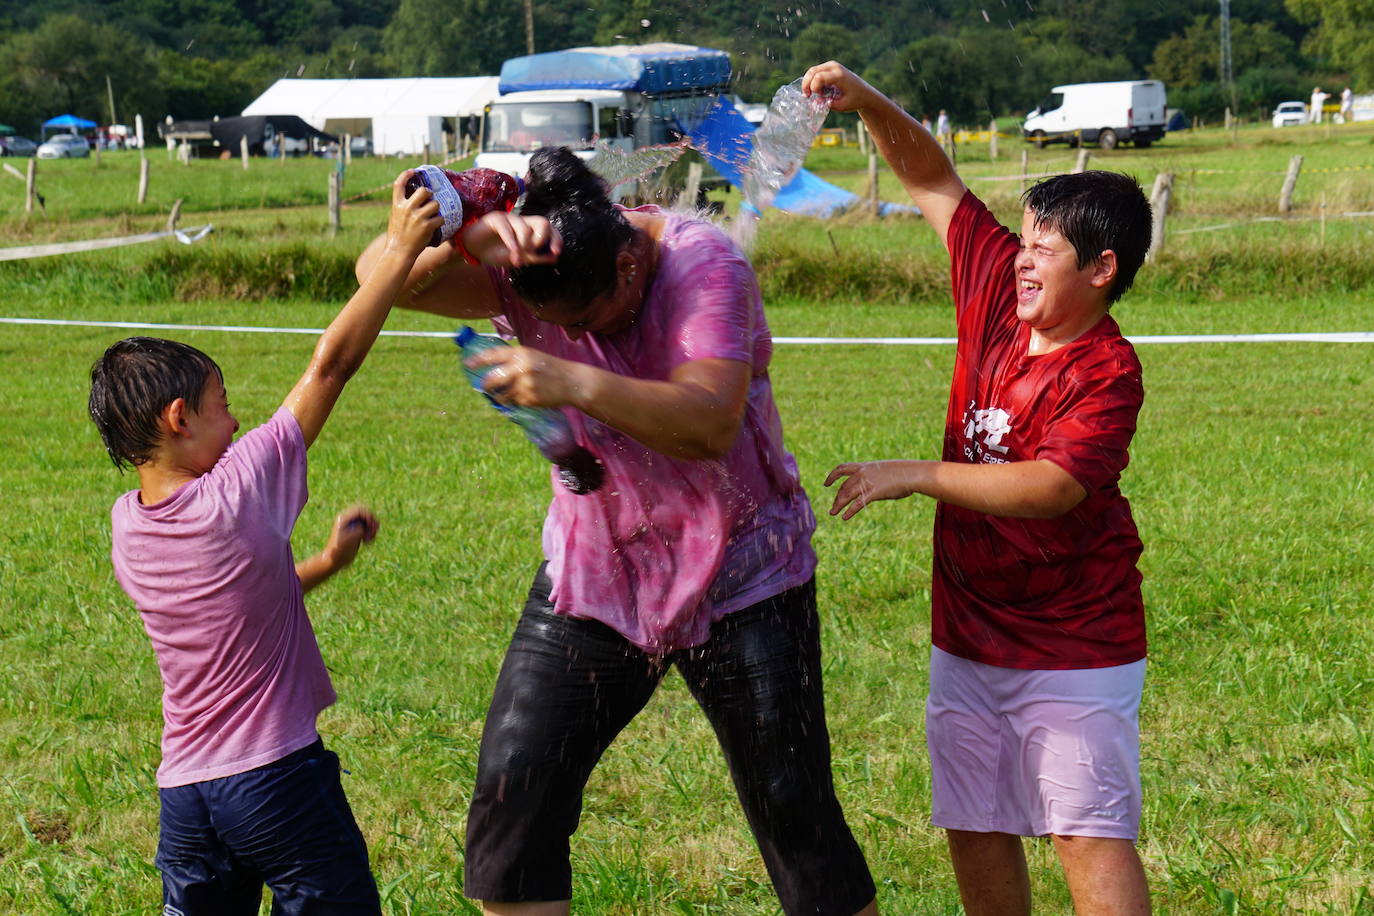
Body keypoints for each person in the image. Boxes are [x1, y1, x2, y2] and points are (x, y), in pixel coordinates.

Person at [355, 146, 879, 916]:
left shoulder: (705, 266)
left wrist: (571, 380)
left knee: (796, 815)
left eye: (592, 320)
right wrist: (473, 222)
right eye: (561, 328)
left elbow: (708, 423)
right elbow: (380, 275)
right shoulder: (528, 258)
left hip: (744, 571)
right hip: (598, 567)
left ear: (629, 266)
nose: (581, 334)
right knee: (513, 804)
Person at [802, 61, 1152, 916]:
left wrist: (917, 476)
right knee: (976, 822)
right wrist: (869, 99)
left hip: (1075, 643)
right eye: (1023, 239)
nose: (1021, 258)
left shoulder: (1106, 372)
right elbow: (929, 176)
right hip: (967, 635)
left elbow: (1053, 486)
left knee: (1084, 832)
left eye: (1044, 247)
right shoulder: (996, 288)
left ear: (1101, 269)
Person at [87, 171, 443, 914]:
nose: (239, 424)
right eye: (225, 408)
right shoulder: (235, 492)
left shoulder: (128, 525)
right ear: (181, 417)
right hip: (276, 781)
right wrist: (398, 255)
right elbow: (331, 365)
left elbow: (234, 613)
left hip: (186, 798)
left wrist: (325, 564)